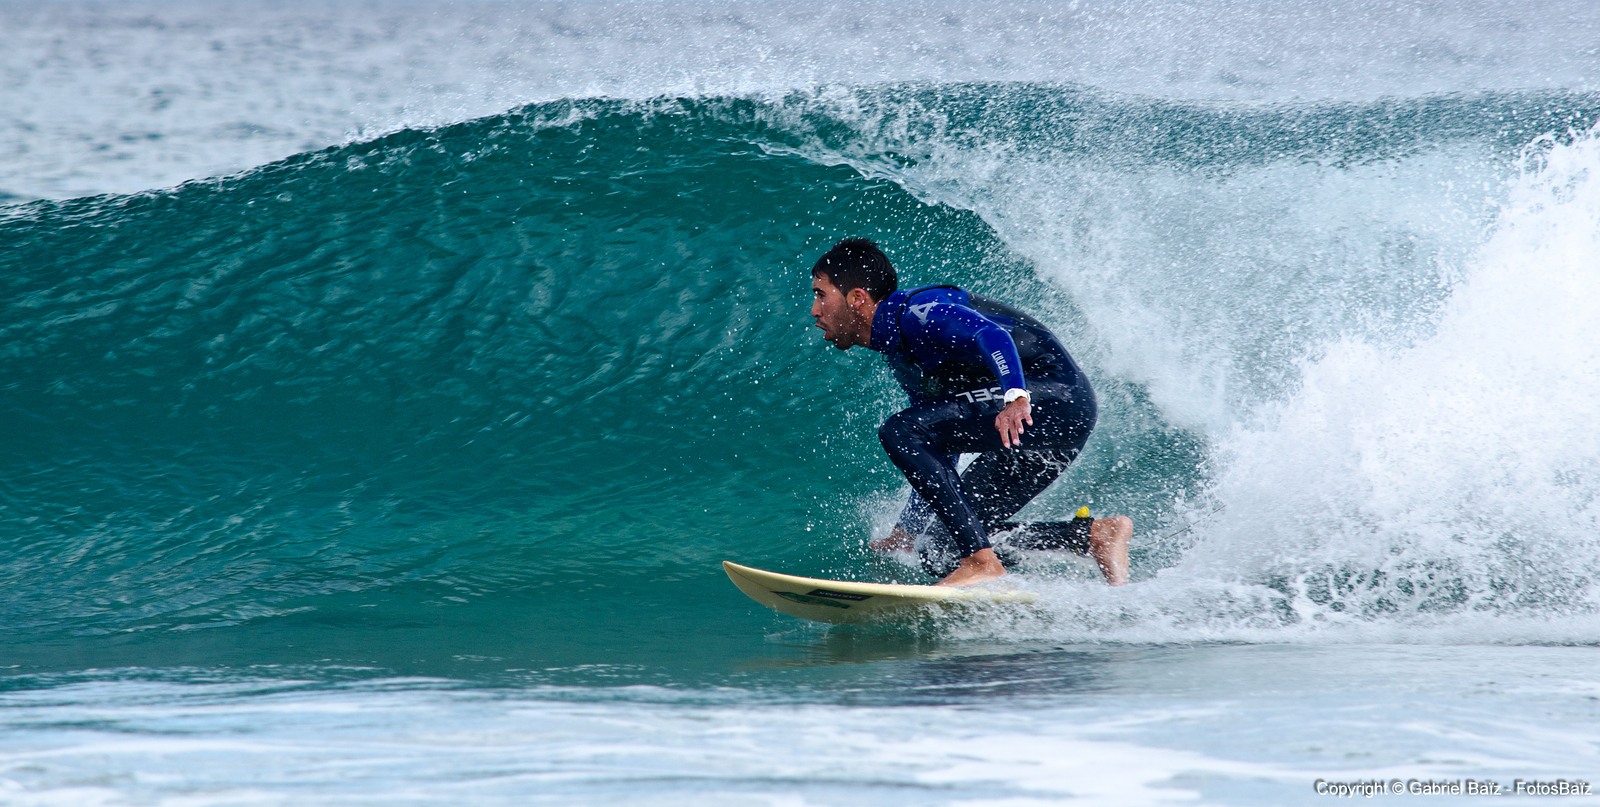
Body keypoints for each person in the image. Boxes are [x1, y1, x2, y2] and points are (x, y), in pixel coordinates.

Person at [809, 238, 1132, 587]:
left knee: (899, 430)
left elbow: (992, 335)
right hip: (1039, 426)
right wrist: (906, 533)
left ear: (857, 298)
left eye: (821, 295)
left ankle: (981, 563)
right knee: (939, 550)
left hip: (1056, 398)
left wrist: (1015, 397)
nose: (815, 310)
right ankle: (1092, 536)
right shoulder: (900, 352)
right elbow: (937, 446)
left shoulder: (919, 314)